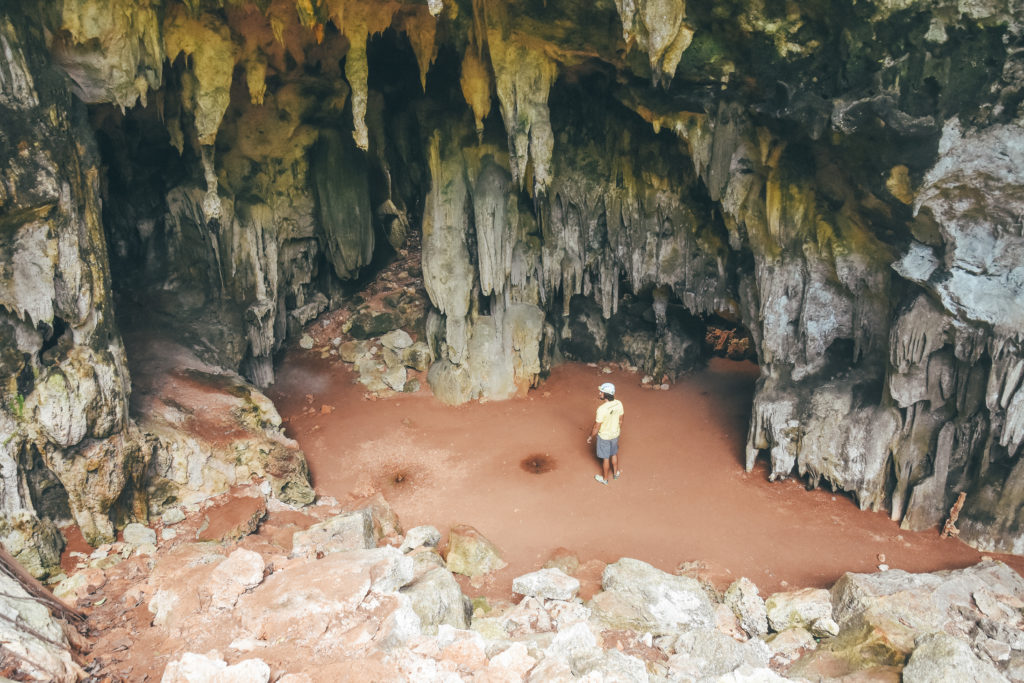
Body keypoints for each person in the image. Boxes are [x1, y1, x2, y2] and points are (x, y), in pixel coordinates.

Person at [587, 382, 623, 485]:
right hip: (615, 435)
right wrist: (617, 429)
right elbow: (621, 419)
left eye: (601, 392)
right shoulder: (619, 403)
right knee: (614, 454)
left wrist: (590, 436)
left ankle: (605, 479)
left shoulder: (601, 409)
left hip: (605, 437)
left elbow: (596, 426)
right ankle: (616, 474)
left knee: (606, 458)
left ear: (605, 394)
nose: (599, 393)